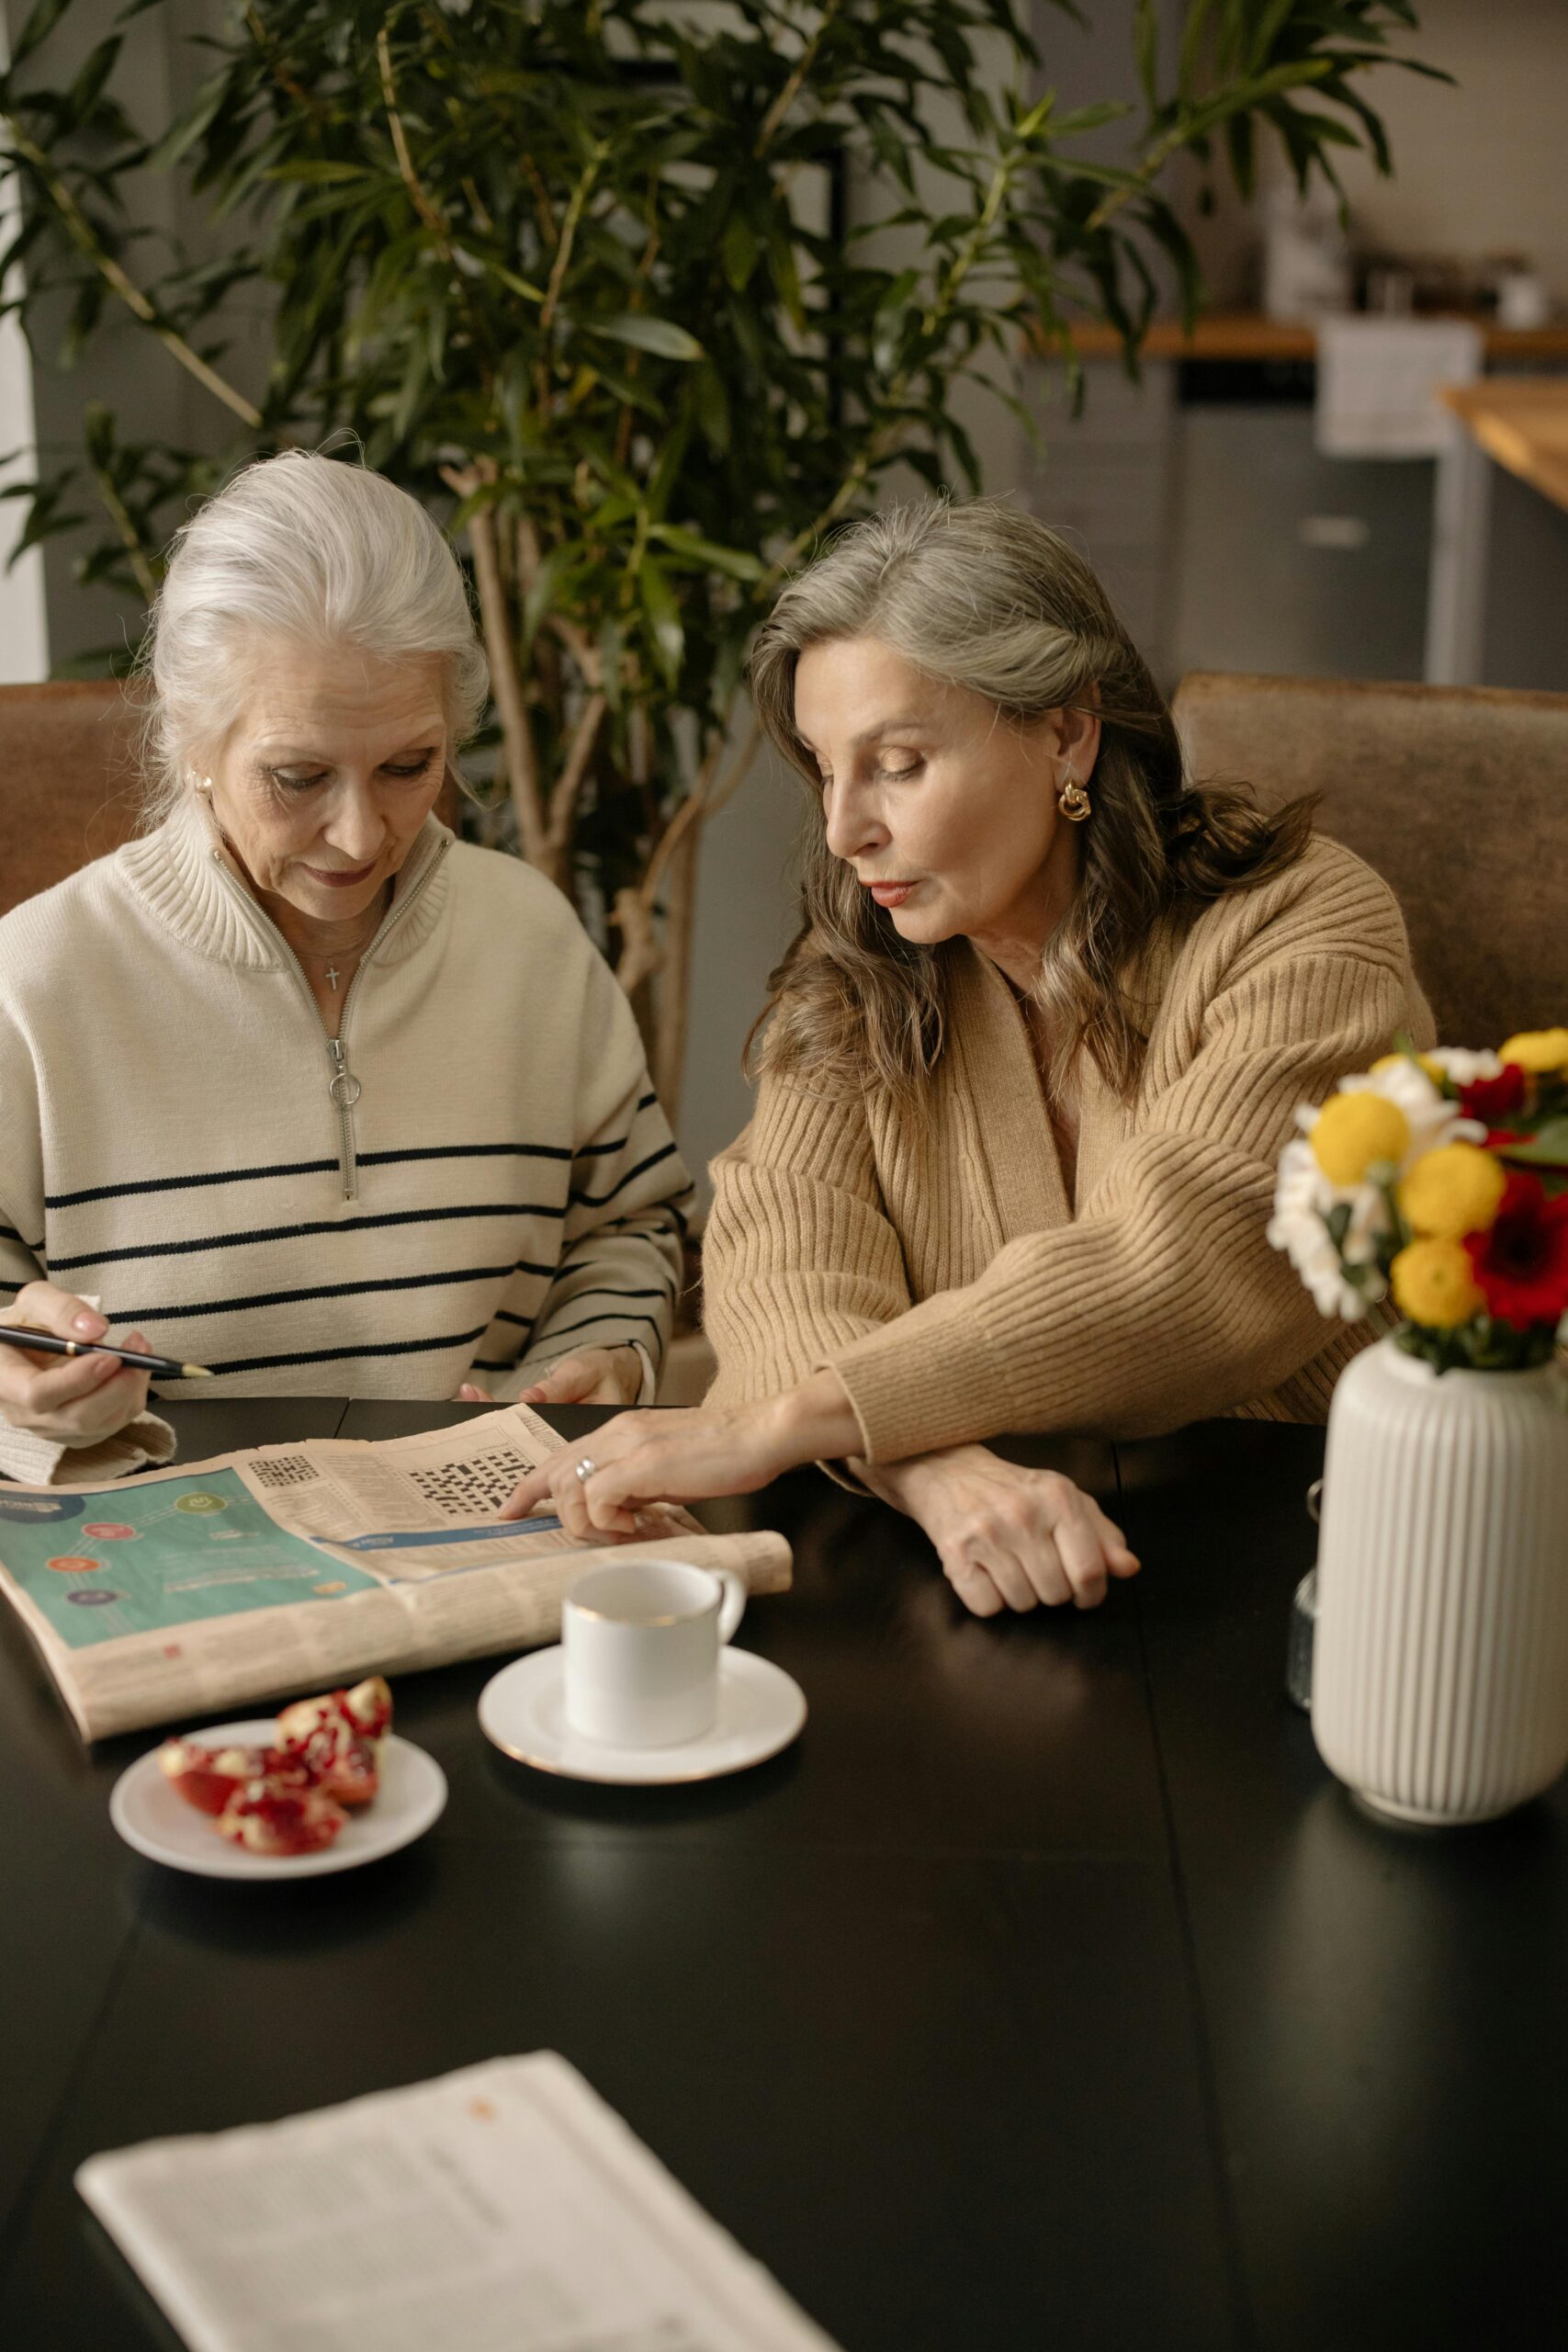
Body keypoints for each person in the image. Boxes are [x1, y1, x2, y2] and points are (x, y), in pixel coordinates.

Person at [502, 498, 1431, 1616]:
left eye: (897, 763)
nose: (846, 829)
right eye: (823, 766)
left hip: (1313, 1568)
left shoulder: (1308, 928)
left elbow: (1182, 1265)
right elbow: (780, 1255)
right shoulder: (866, 965)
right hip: (990, 1581)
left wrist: (771, 1425)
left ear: (1066, 733)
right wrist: (939, 1473)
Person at [0, 450, 691, 1487]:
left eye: (409, 767)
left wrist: (603, 1356)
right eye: (298, 776)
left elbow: (631, 1221)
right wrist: (17, 1384)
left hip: (491, 1528)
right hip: (168, 1551)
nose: (360, 834)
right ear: (191, 732)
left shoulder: (533, 943)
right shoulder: (35, 982)